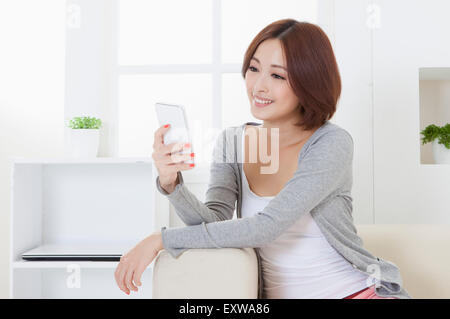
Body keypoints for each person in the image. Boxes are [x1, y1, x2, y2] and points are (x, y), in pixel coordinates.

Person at [114, 19, 411, 299]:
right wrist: (171, 183)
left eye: (278, 75)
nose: (258, 87)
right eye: (254, 69)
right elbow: (213, 222)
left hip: (355, 292)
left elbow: (265, 227)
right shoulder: (233, 140)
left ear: (310, 83)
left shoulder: (331, 143)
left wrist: (161, 239)